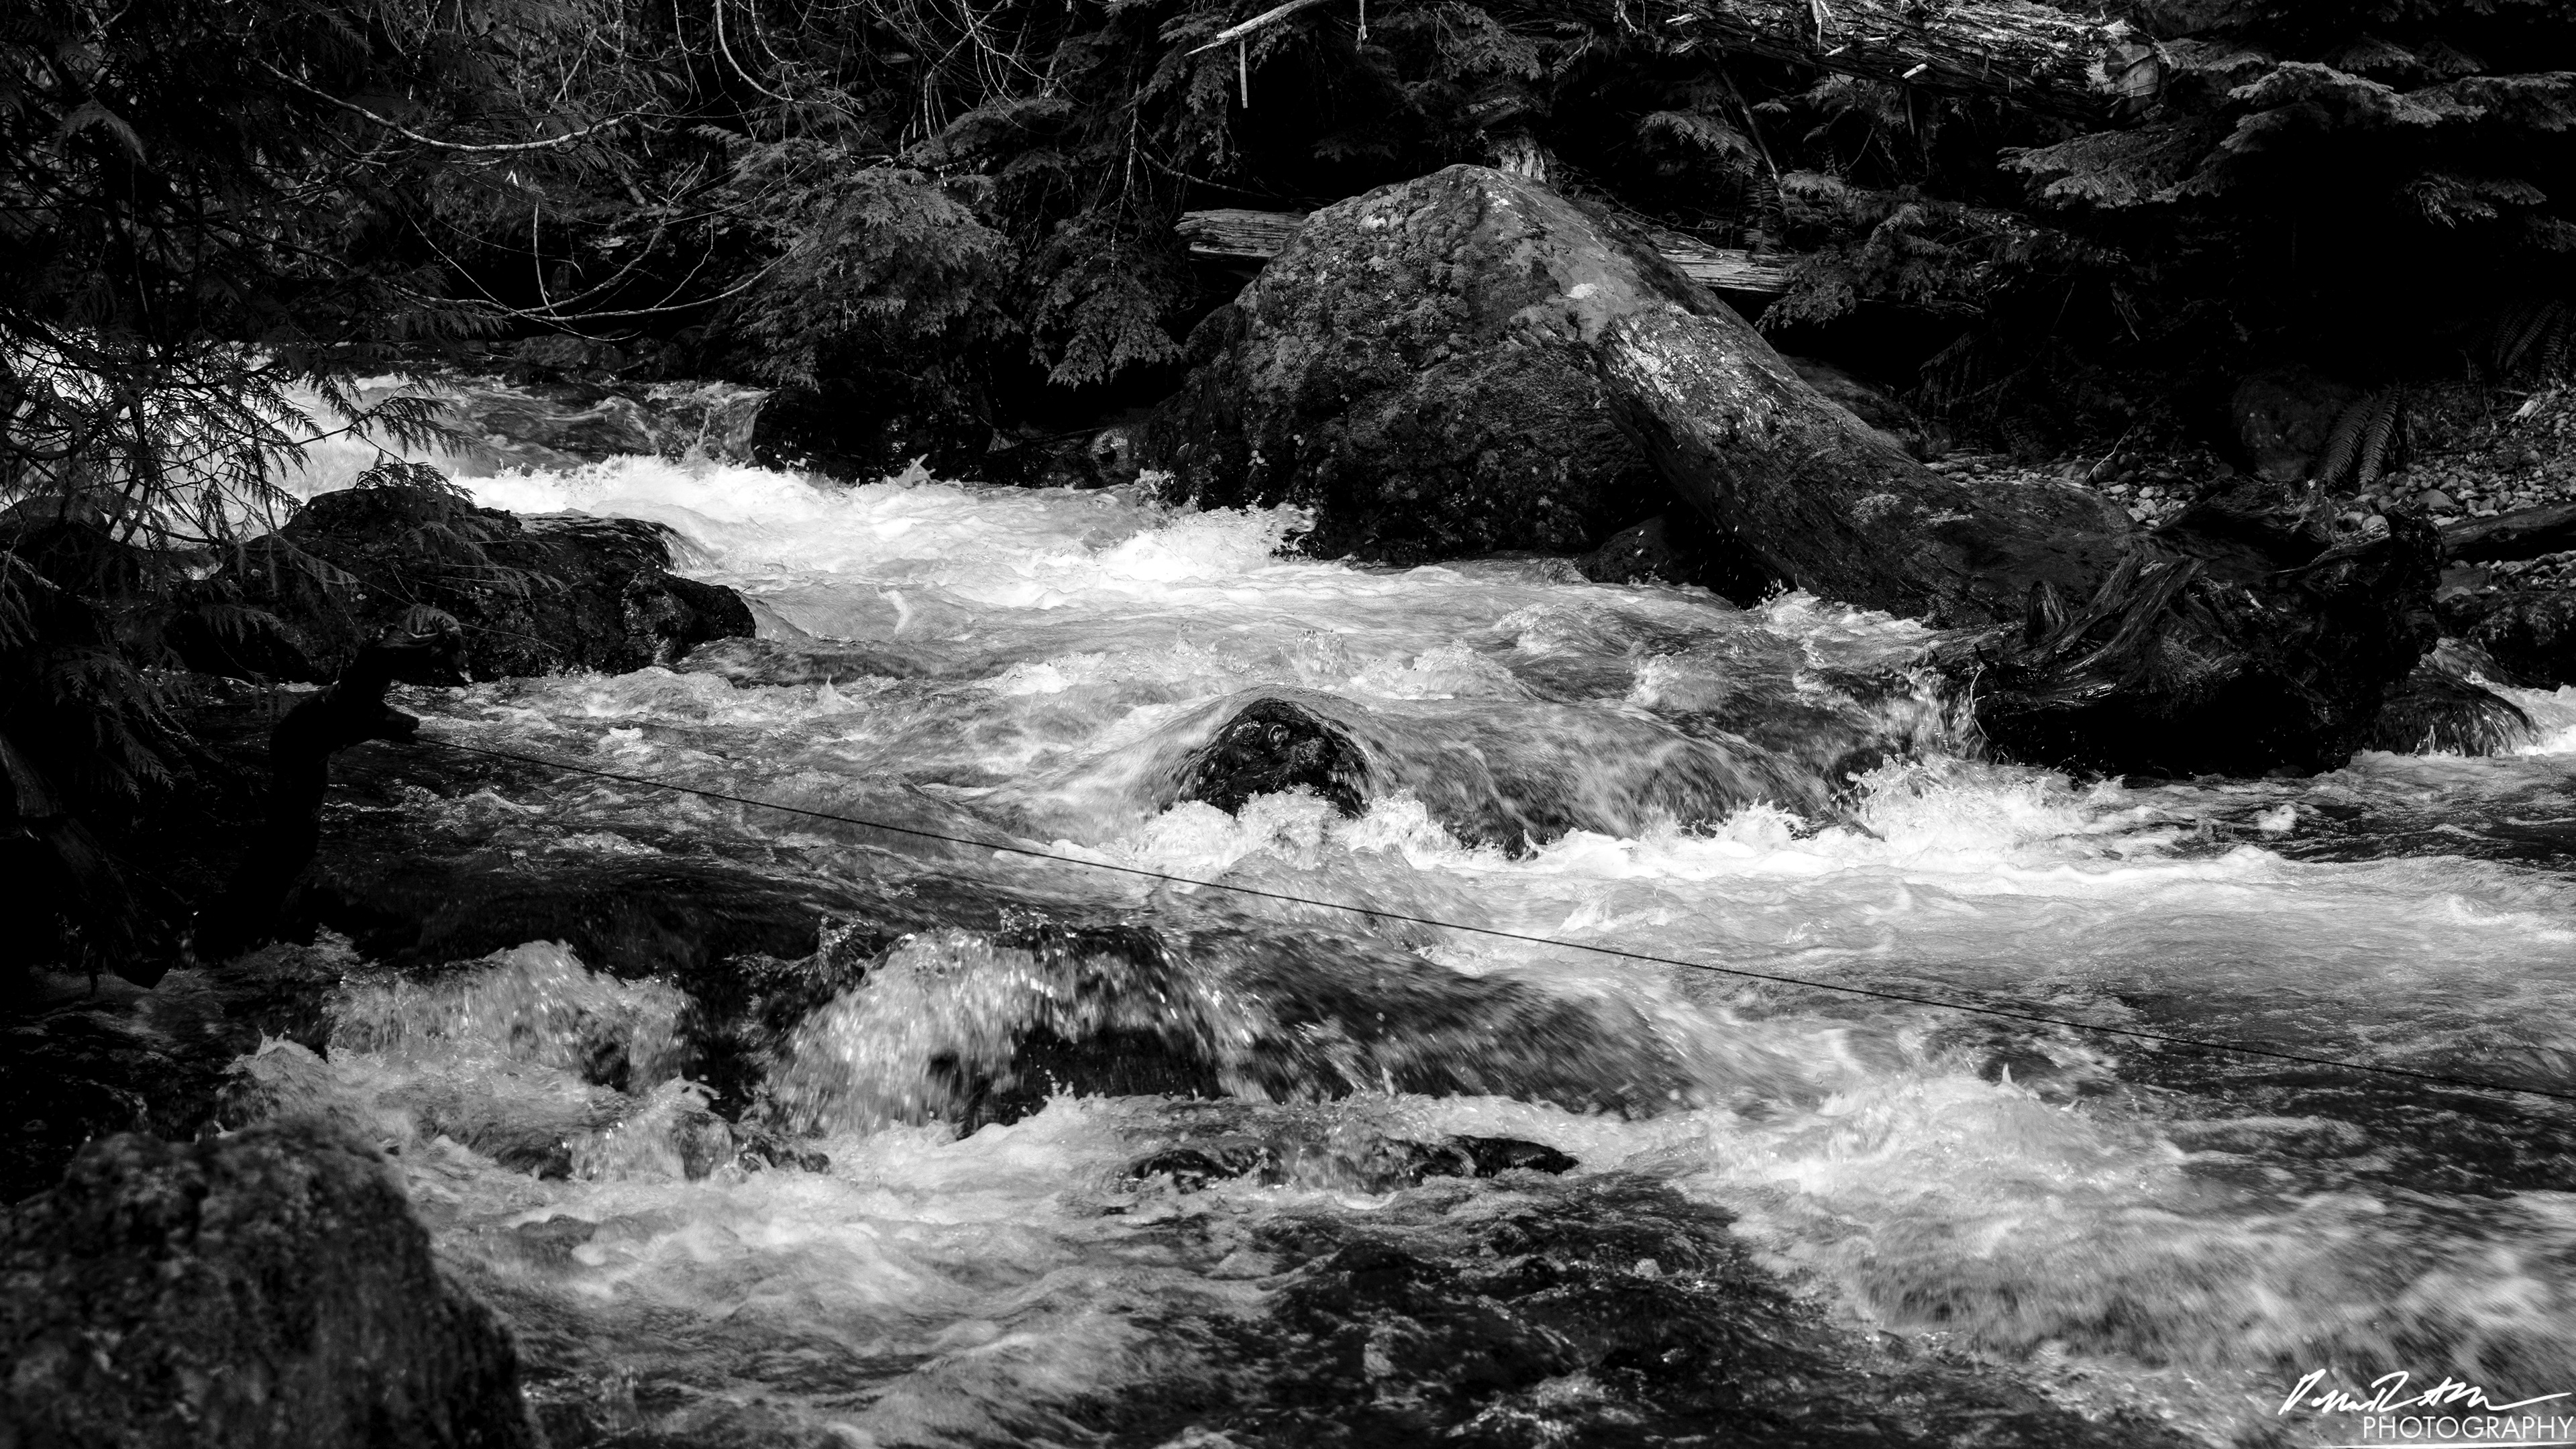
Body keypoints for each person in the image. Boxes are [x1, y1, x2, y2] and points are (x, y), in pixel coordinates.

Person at [189, 607, 467, 962]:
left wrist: (390, 723)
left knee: (295, 845)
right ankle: (228, 933)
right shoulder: (383, 655)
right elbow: (354, 710)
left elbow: (361, 709)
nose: (436, 665)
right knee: (289, 844)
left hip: (308, 747)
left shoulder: (387, 654)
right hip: (299, 745)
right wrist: (391, 723)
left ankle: (244, 928)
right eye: (440, 654)